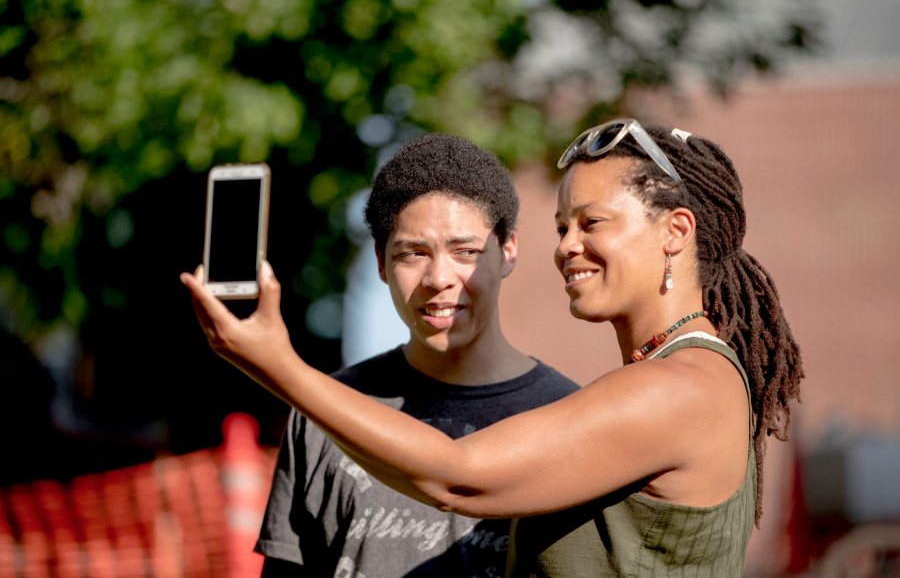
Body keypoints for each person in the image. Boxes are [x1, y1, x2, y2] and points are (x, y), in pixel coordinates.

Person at [182, 119, 804, 577]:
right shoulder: (669, 376)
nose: (565, 246)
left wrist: (277, 365)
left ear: (676, 231)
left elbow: (458, 478)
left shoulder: (683, 386)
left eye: (591, 223)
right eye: (562, 227)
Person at [249, 133, 580, 577]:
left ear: (508, 251)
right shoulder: (323, 410)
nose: (439, 277)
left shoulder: (571, 421)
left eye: (465, 252)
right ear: (381, 263)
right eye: (413, 254)